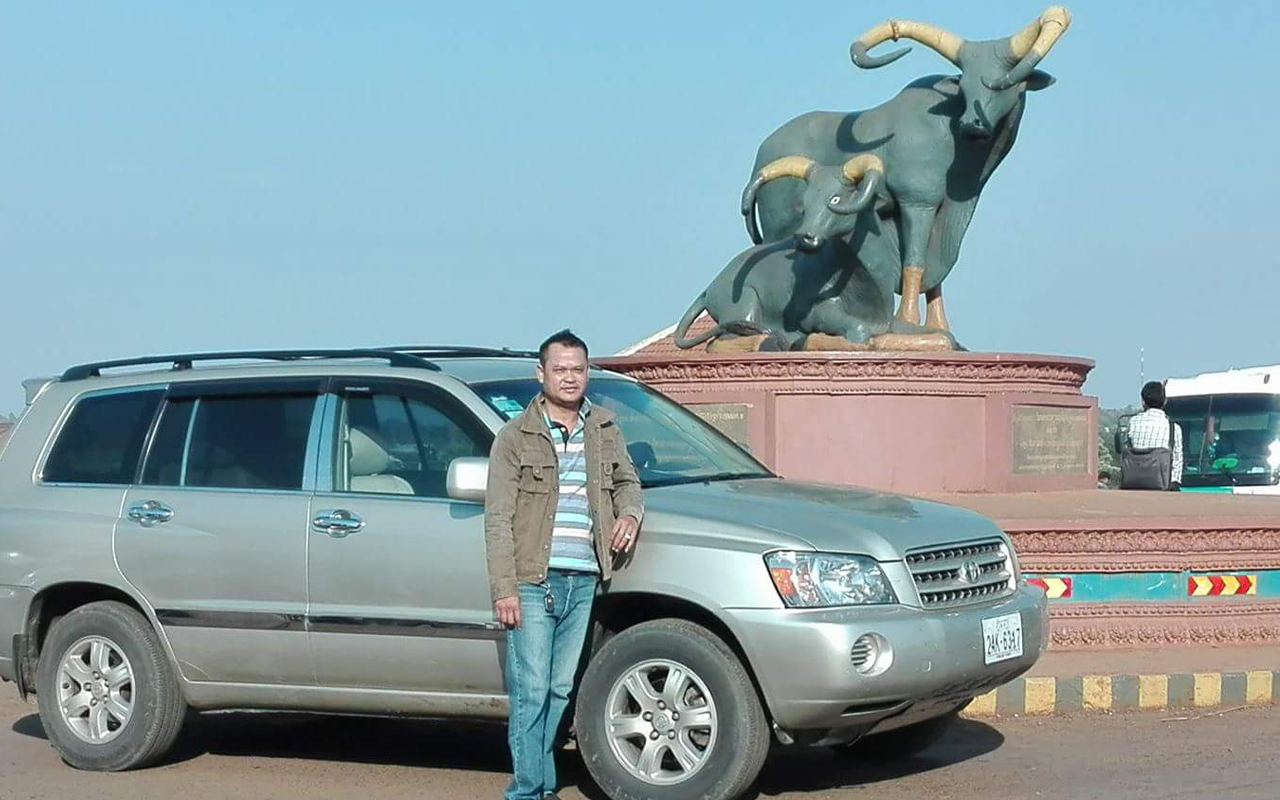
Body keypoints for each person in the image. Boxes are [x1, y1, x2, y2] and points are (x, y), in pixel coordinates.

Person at [484, 329, 644, 800]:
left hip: (585, 579)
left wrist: (631, 514)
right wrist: (504, 589)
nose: (570, 378)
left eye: (577, 369)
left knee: (558, 690)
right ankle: (528, 790)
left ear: (587, 372)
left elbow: (628, 483)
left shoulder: (605, 429)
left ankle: (542, 782)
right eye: (560, 369)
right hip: (533, 580)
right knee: (532, 691)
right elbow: (497, 520)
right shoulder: (514, 438)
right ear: (541, 374)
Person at [1123, 381, 1184, 490]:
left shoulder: (1133, 422)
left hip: (1133, 486)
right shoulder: (1174, 428)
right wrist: (1173, 485)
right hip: (1163, 487)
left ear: (1143, 402)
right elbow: (1177, 461)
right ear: (1164, 401)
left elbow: (1126, 448)